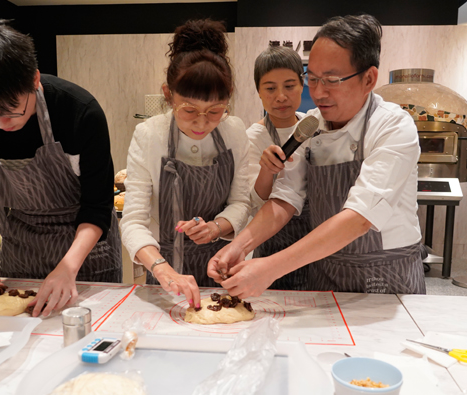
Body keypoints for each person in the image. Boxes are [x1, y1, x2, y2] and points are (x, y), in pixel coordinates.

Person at [208, 14, 426, 297]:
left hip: (385, 274)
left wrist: (271, 268)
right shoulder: (310, 127)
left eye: (332, 80)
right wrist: (238, 247)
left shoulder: (393, 126)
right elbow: (285, 198)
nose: (319, 92)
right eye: (312, 79)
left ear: (369, 78)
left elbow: (360, 217)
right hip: (325, 271)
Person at [0, 20, 122, 317]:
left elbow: (98, 205)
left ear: (35, 79)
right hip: (20, 254)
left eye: (11, 108)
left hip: (85, 259)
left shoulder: (78, 111)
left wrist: (67, 268)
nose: (2, 123)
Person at [120, 19, 250, 308]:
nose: (202, 123)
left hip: (221, 269)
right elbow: (133, 222)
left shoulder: (234, 131)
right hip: (165, 276)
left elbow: (241, 201)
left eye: (215, 111)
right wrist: (162, 269)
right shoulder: (149, 135)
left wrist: (217, 227)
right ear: (168, 95)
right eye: (189, 110)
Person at [246, 45, 312, 290]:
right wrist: (266, 169)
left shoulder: (314, 126)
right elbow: (255, 202)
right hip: (271, 244)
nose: (281, 96)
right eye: (270, 88)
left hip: (314, 245)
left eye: (289, 85)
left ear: (302, 84)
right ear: (259, 92)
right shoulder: (253, 137)